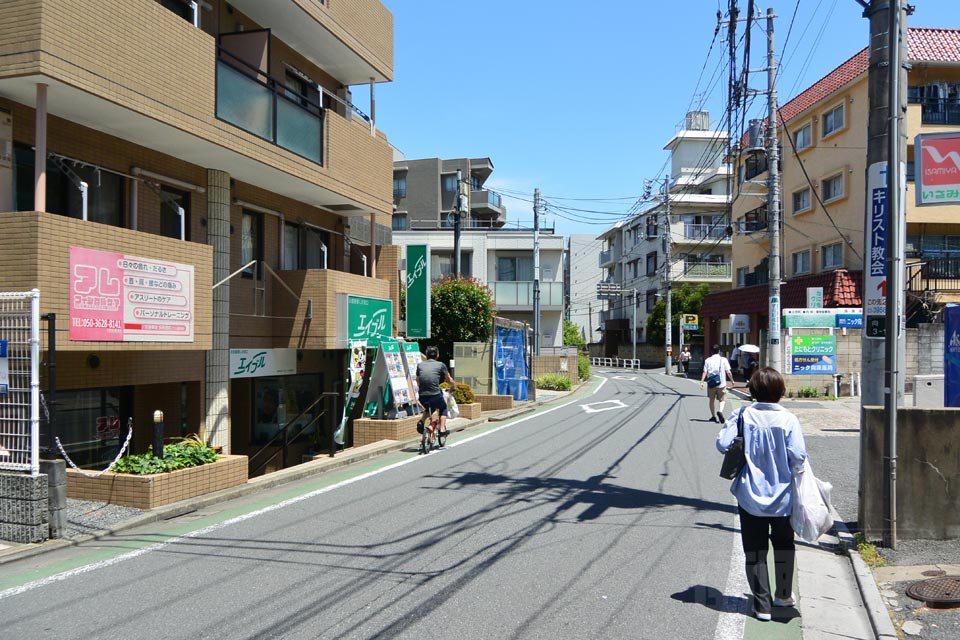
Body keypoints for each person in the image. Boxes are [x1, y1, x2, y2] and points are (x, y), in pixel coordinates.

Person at [717, 367, 807, 621]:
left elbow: (722, 444)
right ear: (780, 391)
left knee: (755, 551)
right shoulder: (788, 419)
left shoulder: (743, 415)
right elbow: (799, 457)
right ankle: (784, 595)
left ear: (753, 391)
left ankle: (762, 606)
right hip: (783, 497)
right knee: (784, 545)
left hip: (749, 495)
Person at [416, 345, 455, 438]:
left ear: (426, 355)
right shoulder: (441, 365)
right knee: (443, 408)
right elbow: (448, 379)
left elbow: (417, 380)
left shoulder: (420, 365)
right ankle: (442, 430)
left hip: (422, 395)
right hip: (435, 395)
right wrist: (452, 386)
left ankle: (421, 421)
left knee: (429, 407)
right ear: (437, 355)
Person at [700, 343, 735, 422]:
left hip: (711, 383)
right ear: (719, 351)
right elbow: (728, 372)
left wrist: (702, 382)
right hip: (721, 383)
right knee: (722, 399)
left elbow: (704, 372)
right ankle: (720, 411)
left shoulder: (707, 360)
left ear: (711, 352)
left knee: (711, 400)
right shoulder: (724, 360)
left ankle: (713, 416)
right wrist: (732, 380)